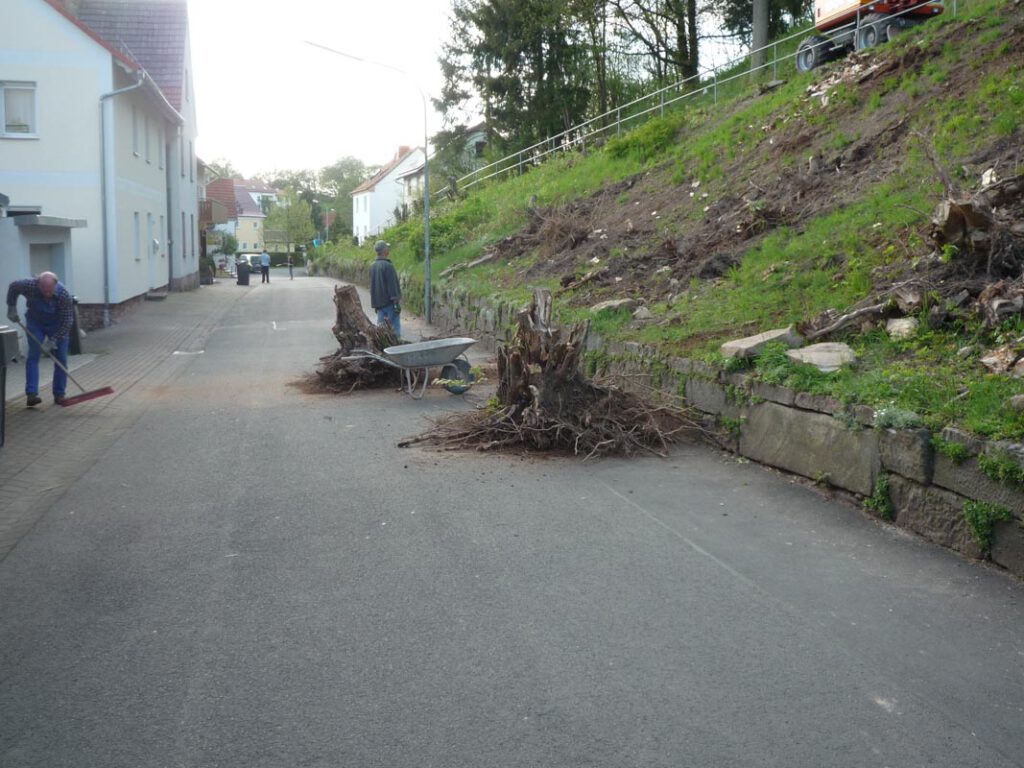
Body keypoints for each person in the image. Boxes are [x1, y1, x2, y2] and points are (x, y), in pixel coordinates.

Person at [6, 271, 75, 406]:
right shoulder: (29, 285)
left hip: (57, 325)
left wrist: (53, 340)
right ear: (38, 284)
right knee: (34, 355)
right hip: (35, 323)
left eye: (50, 290)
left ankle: (59, 394)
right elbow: (13, 287)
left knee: (61, 359)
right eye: (44, 290)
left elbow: (67, 321)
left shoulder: (63, 294)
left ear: (55, 285)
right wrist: (11, 307)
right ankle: (31, 394)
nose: (47, 293)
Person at [369, 240, 402, 338]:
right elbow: (393, 285)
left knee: (382, 331)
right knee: (394, 329)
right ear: (385, 251)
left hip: (379, 304)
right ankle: (398, 344)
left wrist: (375, 304)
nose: (388, 249)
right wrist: (396, 302)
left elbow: (372, 286)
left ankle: (384, 345)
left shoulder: (372, 266)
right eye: (387, 248)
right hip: (389, 303)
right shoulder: (388, 266)